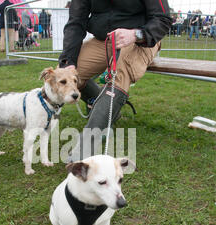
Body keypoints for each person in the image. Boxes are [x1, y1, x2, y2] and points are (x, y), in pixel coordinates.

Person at [58, 0, 172, 161]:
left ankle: (84, 149)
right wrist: (68, 62)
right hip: (103, 40)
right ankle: (106, 108)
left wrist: (135, 34)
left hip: (141, 40)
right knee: (65, 75)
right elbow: (76, 22)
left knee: (120, 71)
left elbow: (163, 19)